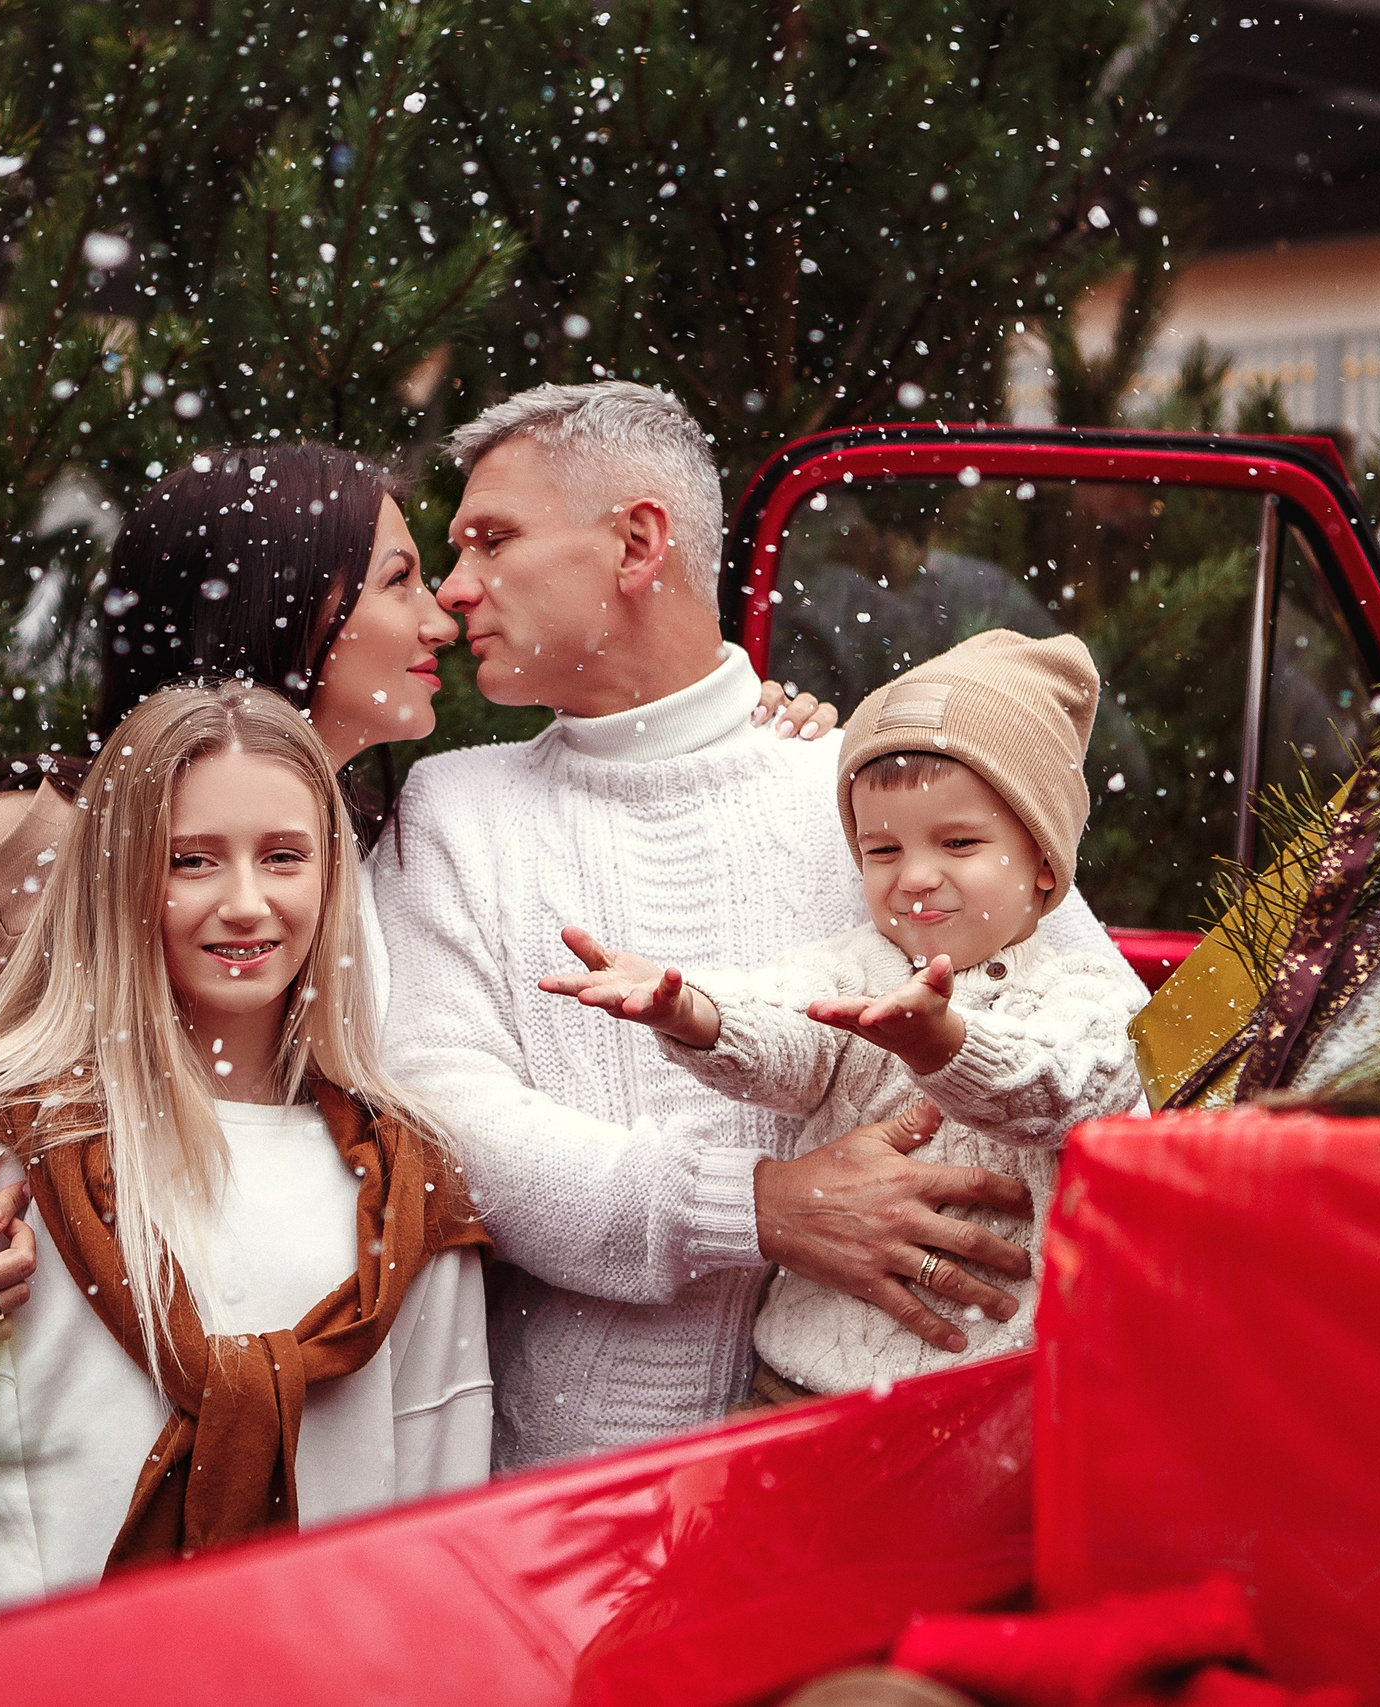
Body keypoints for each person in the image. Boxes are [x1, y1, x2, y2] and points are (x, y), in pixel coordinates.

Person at [0, 440, 844, 1309]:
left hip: (306, 1391)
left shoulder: (400, 846)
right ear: (285, 600)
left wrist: (749, 730)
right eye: (401, 579)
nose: (440, 613)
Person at [371, 382, 1045, 1471]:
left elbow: (1056, 1026)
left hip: (880, 1461)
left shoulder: (869, 795)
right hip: (556, 1488)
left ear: (638, 543)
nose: (452, 593)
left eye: (491, 541)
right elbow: (447, 1121)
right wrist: (755, 1207)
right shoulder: (452, 807)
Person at [0, 682, 491, 1636]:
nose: (246, 903)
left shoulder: (407, 1189)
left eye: (286, 857)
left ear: (333, 879)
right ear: (121, 875)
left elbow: (438, 1502)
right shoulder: (18, 1144)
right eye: (192, 860)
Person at [541, 630, 1151, 1400]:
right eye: (882, 849)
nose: (916, 875)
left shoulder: (1087, 991)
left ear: (1043, 863)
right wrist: (698, 1014)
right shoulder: (857, 965)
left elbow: (1067, 1089)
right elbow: (787, 1029)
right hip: (797, 1384)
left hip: (995, 1397)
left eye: (958, 841)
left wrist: (947, 1044)